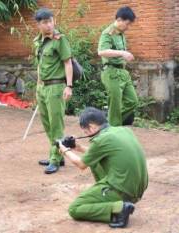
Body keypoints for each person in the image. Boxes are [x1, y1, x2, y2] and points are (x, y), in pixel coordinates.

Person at [59, 107, 148, 228]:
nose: (85, 135)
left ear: (92, 127)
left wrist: (65, 150)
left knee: (75, 208)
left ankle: (119, 208)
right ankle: (113, 198)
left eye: (85, 132)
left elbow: (81, 164)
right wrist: (78, 148)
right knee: (95, 160)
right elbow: (99, 152)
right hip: (138, 189)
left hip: (123, 191)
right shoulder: (123, 130)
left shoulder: (101, 139)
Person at [33, 8, 73, 174]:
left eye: (50, 21)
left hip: (56, 88)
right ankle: (58, 154)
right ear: (38, 25)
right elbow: (40, 65)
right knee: (47, 124)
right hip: (42, 87)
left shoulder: (59, 39)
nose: (49, 25)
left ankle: (55, 160)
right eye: (44, 22)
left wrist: (69, 86)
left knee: (56, 125)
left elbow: (67, 63)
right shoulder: (38, 41)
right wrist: (37, 86)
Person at [98, 6, 139, 126]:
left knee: (133, 101)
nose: (128, 27)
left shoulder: (121, 34)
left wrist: (125, 56)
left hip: (122, 73)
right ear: (120, 19)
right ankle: (112, 129)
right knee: (115, 107)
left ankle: (109, 123)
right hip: (111, 73)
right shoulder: (108, 33)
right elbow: (101, 51)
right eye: (127, 24)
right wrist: (122, 53)